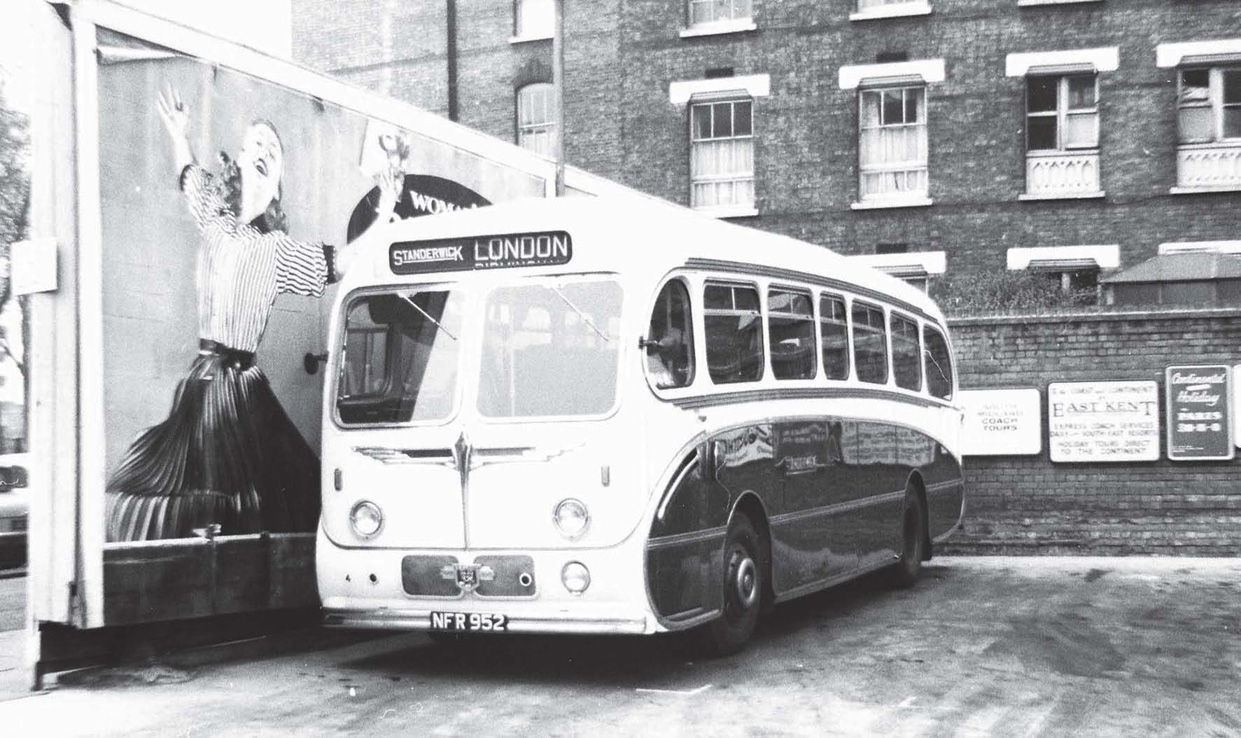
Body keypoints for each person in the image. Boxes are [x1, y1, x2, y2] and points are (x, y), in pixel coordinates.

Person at [104, 88, 398, 542]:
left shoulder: (276, 250)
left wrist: (387, 208)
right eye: (255, 144)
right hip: (202, 385)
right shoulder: (215, 220)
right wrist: (179, 133)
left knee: (273, 494)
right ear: (239, 162)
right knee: (169, 490)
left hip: (243, 387)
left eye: (273, 152)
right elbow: (189, 175)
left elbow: (340, 263)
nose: (263, 151)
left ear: (278, 182)